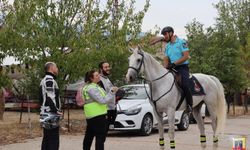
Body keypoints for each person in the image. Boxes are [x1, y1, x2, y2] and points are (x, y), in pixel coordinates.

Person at [82, 70, 118, 150]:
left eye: (99, 75)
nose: (99, 76)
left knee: (89, 136)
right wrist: (112, 92)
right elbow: (102, 101)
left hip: (92, 116)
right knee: (100, 138)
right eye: (96, 76)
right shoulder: (92, 88)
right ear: (91, 78)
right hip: (98, 116)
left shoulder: (93, 86)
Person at [161, 26, 193, 112]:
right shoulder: (167, 46)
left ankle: (189, 105)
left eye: (165, 34)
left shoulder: (182, 42)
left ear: (171, 33)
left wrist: (174, 63)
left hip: (182, 68)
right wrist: (165, 68)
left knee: (185, 85)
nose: (165, 36)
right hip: (171, 68)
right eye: (163, 35)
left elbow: (186, 56)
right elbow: (166, 59)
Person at [39, 62, 62, 150]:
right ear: (52, 68)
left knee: (47, 138)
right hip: (50, 114)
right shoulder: (50, 80)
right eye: (56, 67)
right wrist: (56, 111)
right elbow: (50, 97)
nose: (57, 69)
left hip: (45, 113)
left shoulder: (44, 80)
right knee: (53, 140)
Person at [98, 62, 116, 130]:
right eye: (105, 67)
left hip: (111, 109)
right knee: (101, 135)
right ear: (101, 69)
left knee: (103, 137)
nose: (108, 68)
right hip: (104, 111)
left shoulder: (107, 78)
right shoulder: (99, 80)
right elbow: (102, 96)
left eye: (108, 67)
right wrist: (113, 91)